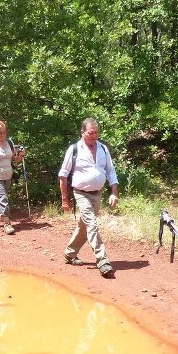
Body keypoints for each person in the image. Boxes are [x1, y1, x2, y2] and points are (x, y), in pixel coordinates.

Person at [58, 117, 119, 278]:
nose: (94, 136)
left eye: (96, 133)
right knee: (92, 224)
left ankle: (69, 254)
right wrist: (65, 199)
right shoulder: (74, 149)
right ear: (83, 132)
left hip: (97, 194)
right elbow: (63, 175)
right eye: (91, 133)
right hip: (81, 193)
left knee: (84, 227)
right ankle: (103, 260)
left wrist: (114, 192)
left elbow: (111, 171)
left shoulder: (103, 149)